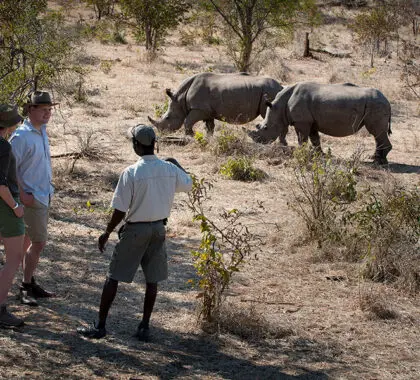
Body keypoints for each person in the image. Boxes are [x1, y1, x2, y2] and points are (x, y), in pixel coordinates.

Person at [77, 124, 192, 340]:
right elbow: (188, 184)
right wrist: (176, 163)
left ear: (136, 145)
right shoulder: (169, 169)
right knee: (152, 279)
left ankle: (100, 326)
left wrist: (107, 231)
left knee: (113, 277)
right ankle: (144, 326)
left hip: (135, 231)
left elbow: (120, 209)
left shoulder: (131, 172)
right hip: (159, 229)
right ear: (154, 145)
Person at [9, 91, 57, 307]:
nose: (48, 114)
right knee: (38, 243)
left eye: (50, 110)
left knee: (27, 243)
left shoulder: (42, 131)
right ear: (31, 109)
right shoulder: (21, 137)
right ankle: (25, 286)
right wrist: (22, 194)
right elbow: (9, 169)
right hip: (31, 197)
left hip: (42, 195)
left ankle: (27, 283)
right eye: (43, 110)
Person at [0, 104, 25, 328]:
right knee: (14, 258)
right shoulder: (3, 147)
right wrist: (16, 206)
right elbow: (1, 185)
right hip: (6, 207)